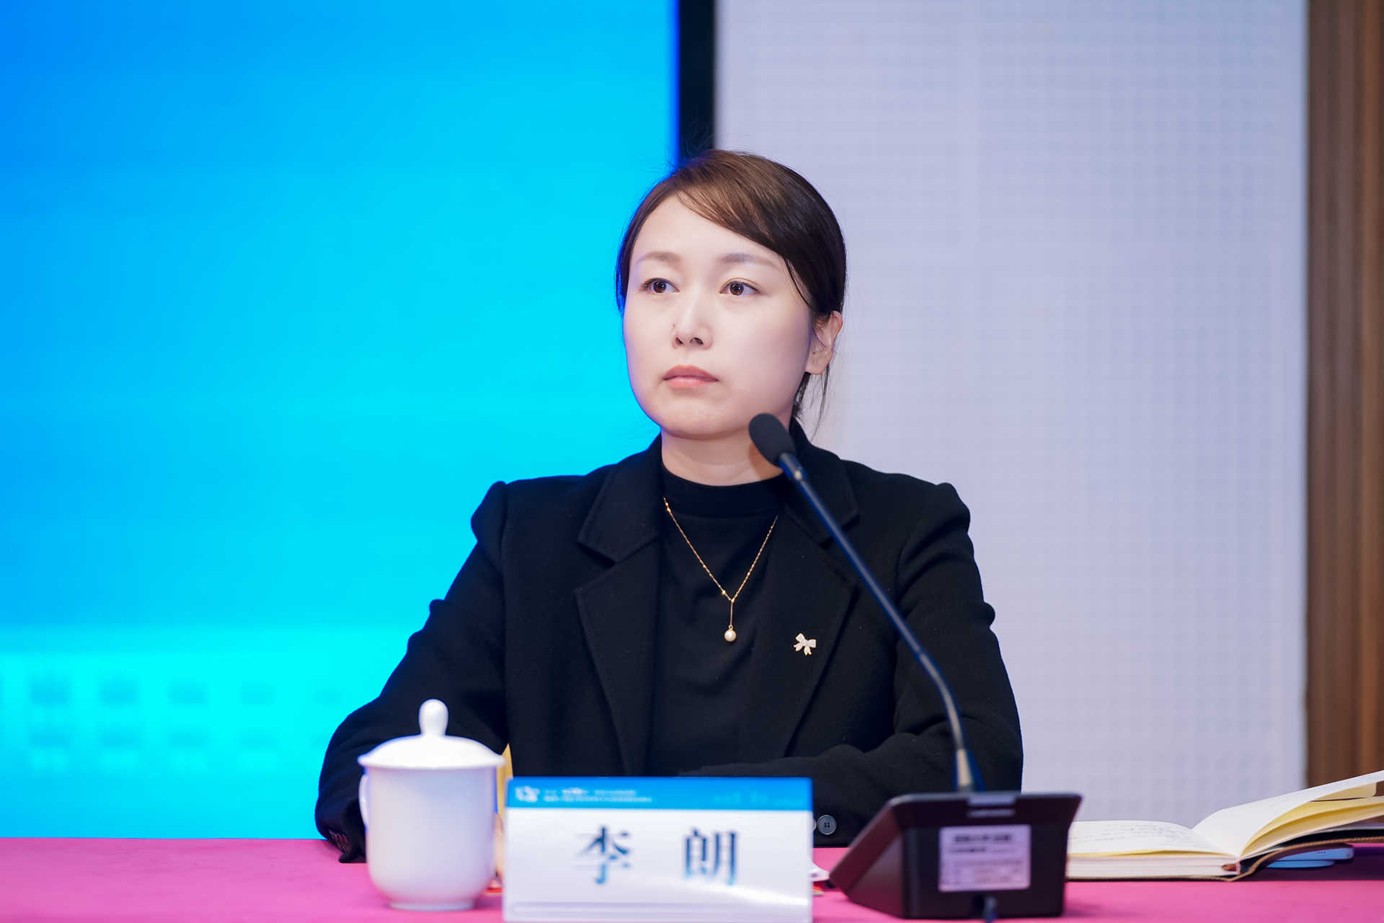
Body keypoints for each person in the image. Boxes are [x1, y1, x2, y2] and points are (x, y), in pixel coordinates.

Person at [315, 150, 1022, 860]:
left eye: (738, 287)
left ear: (821, 338)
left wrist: (674, 818)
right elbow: (367, 759)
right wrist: (444, 824)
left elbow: (973, 758)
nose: (688, 325)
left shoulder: (901, 531)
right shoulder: (533, 535)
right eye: (658, 284)